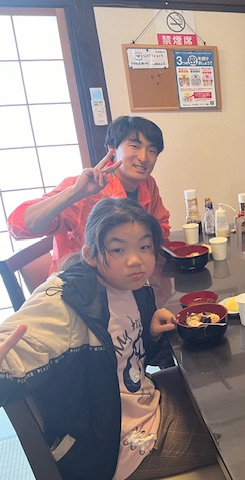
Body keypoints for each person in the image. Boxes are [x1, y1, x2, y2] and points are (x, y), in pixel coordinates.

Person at [0, 198, 217, 480]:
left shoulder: (131, 286)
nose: (135, 260)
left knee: (215, 387)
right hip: (115, 448)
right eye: (118, 249)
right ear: (90, 255)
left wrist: (149, 333)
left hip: (140, 402)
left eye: (144, 247)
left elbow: (127, 361)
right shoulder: (68, 302)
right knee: (232, 433)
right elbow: (16, 341)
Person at [8, 115, 171, 274]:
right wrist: (74, 193)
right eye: (135, 146)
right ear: (112, 149)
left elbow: (161, 225)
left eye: (151, 150)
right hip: (81, 281)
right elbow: (18, 226)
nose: (143, 157)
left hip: (126, 276)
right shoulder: (86, 188)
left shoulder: (147, 183)